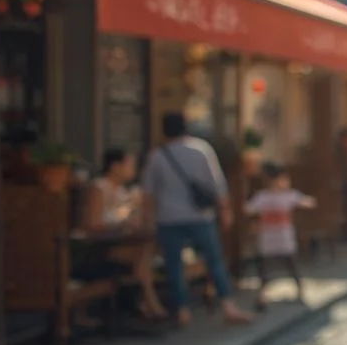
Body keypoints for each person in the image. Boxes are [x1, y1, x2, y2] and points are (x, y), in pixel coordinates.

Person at [142, 112, 251, 327]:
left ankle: (182, 311)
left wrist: (148, 219)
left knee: (173, 265)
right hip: (199, 216)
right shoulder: (201, 149)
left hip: (168, 217)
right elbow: (217, 184)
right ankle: (227, 305)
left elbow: (148, 193)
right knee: (214, 261)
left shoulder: (158, 155)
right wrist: (225, 211)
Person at [78, 148, 164, 322]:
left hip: (123, 246)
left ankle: (147, 301)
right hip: (98, 249)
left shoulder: (128, 193)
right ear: (115, 166)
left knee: (145, 249)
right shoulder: (99, 187)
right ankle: (148, 302)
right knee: (143, 254)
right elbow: (91, 224)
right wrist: (119, 226)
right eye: (129, 164)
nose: (132, 169)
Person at [243, 161, 316, 308]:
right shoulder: (262, 196)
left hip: (283, 235)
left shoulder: (289, 195)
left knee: (290, 261)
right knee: (264, 264)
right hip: (267, 235)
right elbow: (249, 209)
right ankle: (263, 292)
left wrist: (306, 201)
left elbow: (308, 202)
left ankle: (299, 287)